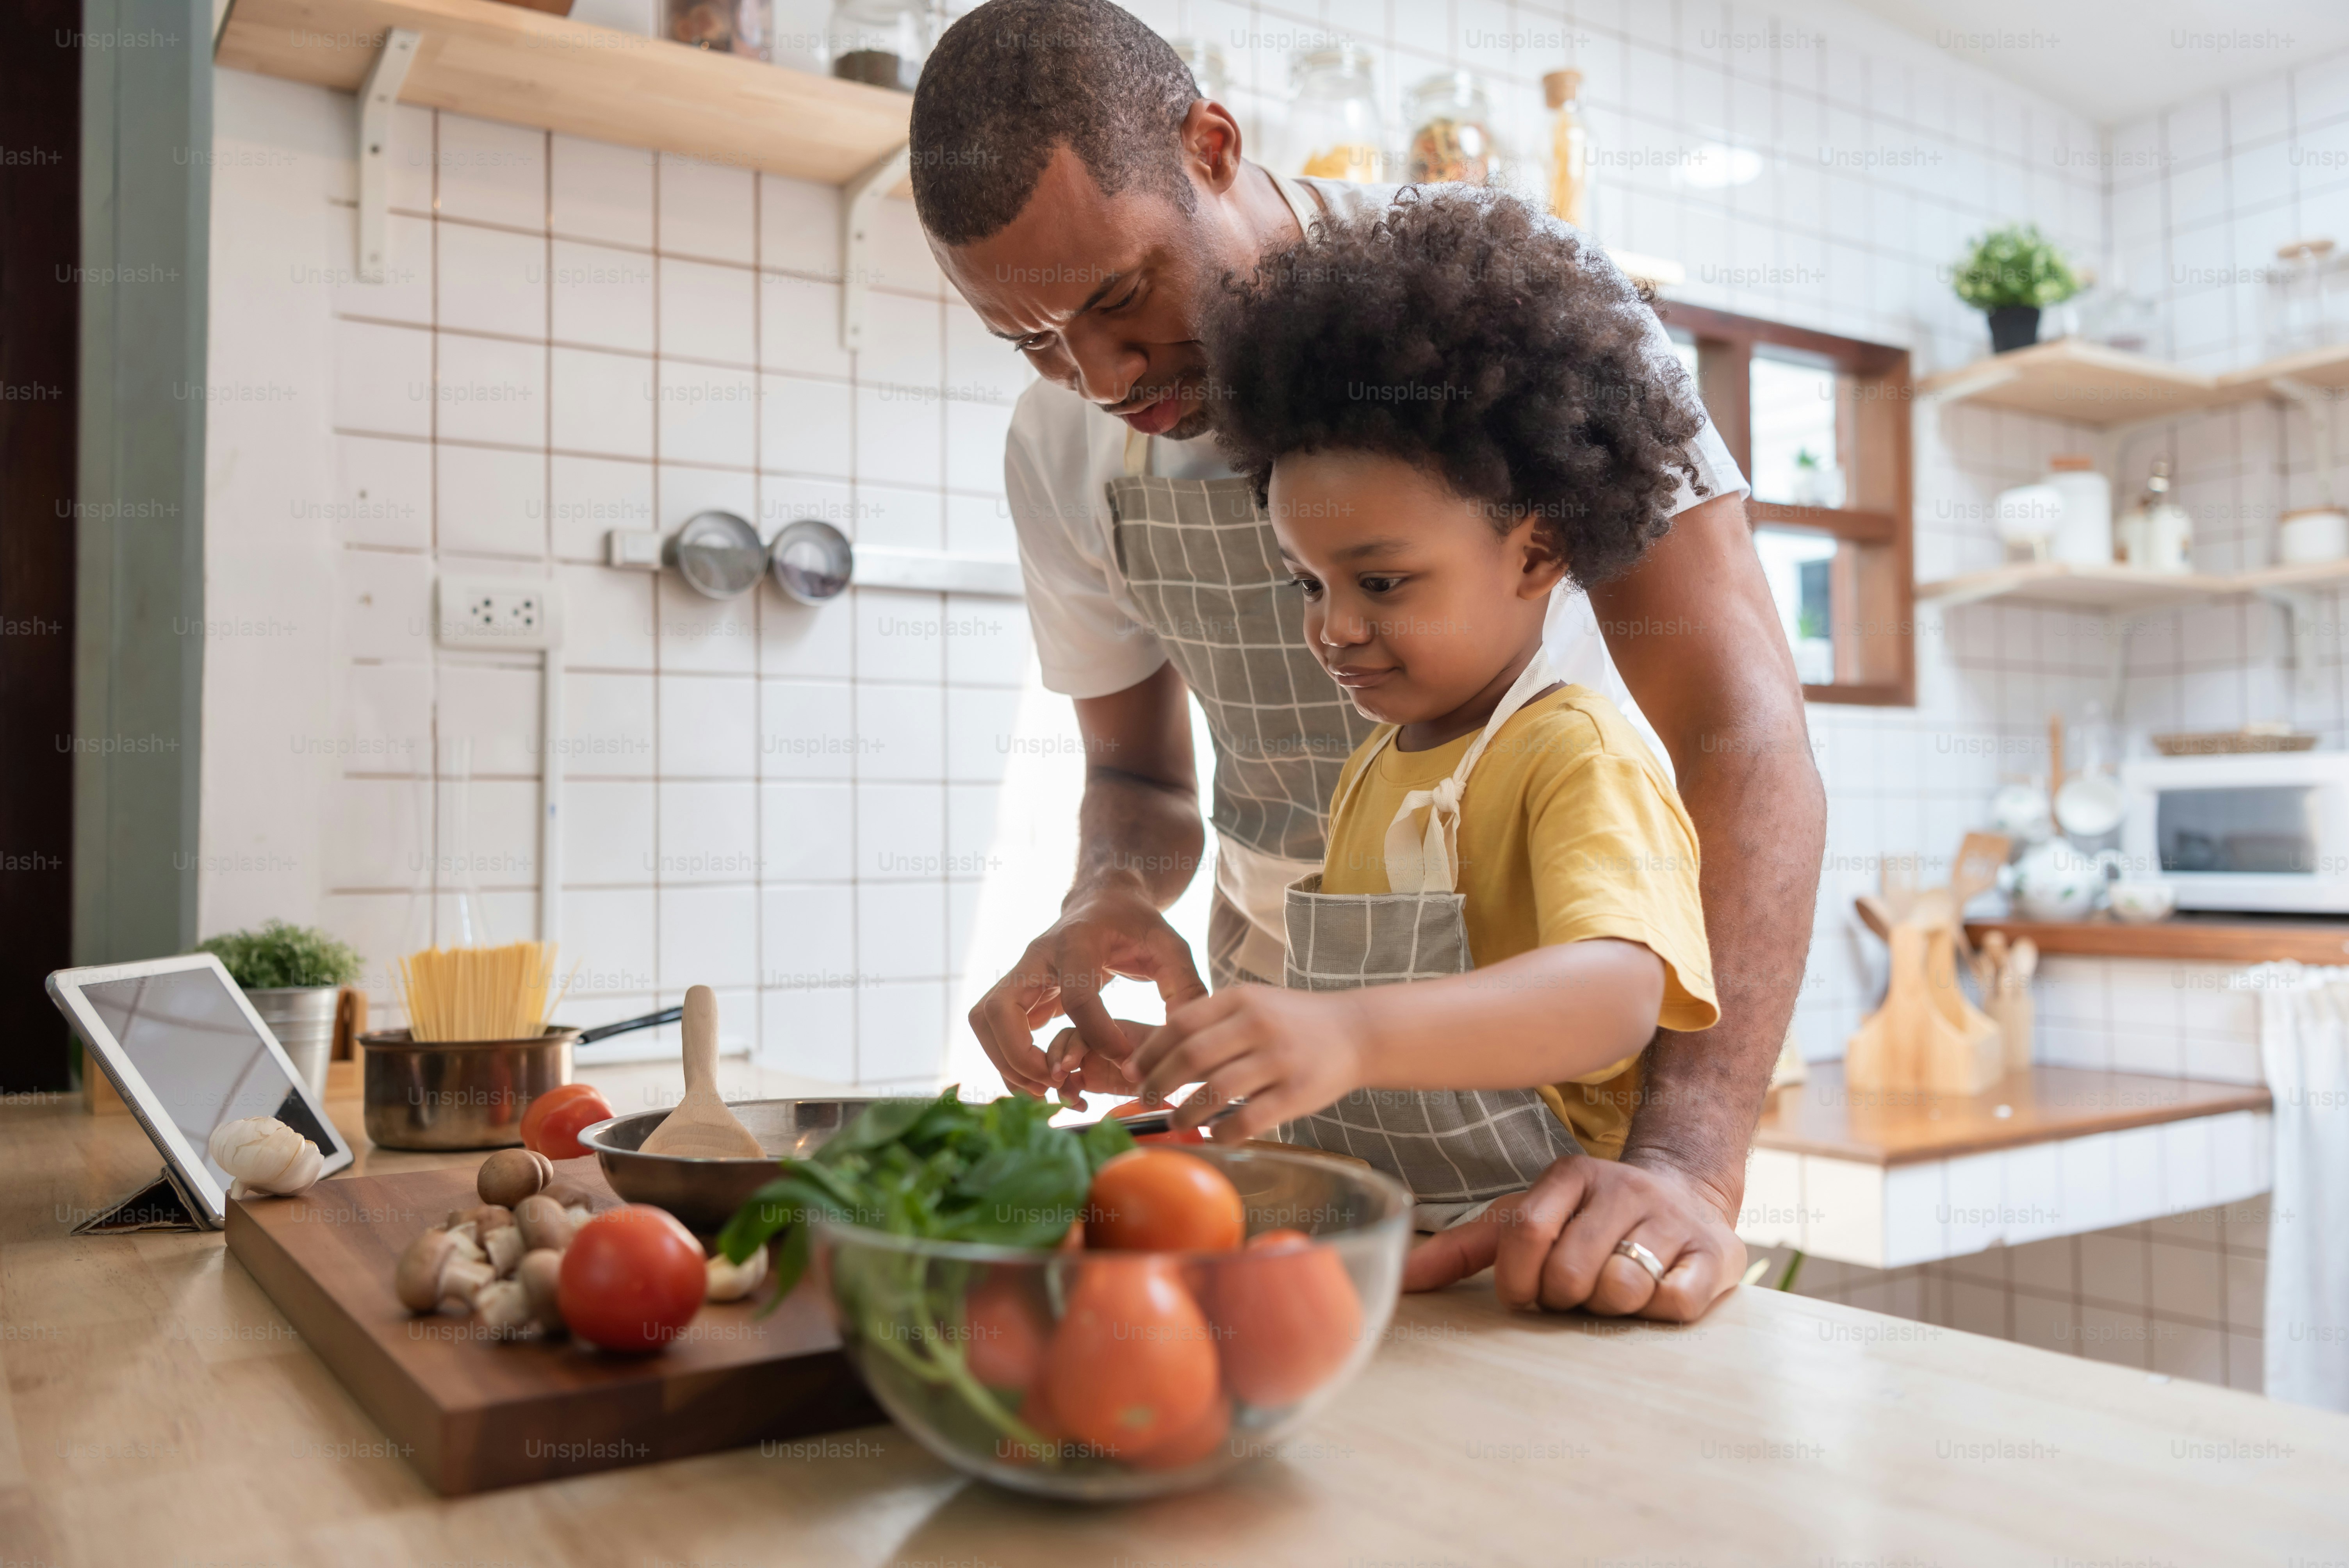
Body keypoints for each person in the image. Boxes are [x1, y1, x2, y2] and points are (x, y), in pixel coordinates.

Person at [910, 0, 1825, 1321]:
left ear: (1212, 146)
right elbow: (1141, 784)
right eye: (1033, 341)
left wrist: (1686, 1165)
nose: (1098, 372)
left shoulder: (1512, 311)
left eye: (1119, 297)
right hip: (1297, 1110)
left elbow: (1740, 735)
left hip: (1568, 1131)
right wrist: (1104, 897)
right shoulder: (1060, 452)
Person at [1114, 188, 1719, 1249]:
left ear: (1535, 555)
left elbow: (1618, 992)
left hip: (1560, 1262)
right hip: (1410, 1262)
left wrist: (1348, 1034)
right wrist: (1203, 1091)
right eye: (1307, 584)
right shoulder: (1374, 769)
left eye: (1382, 584)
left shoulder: (1576, 753)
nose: (1333, 628)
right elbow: (1358, 1088)